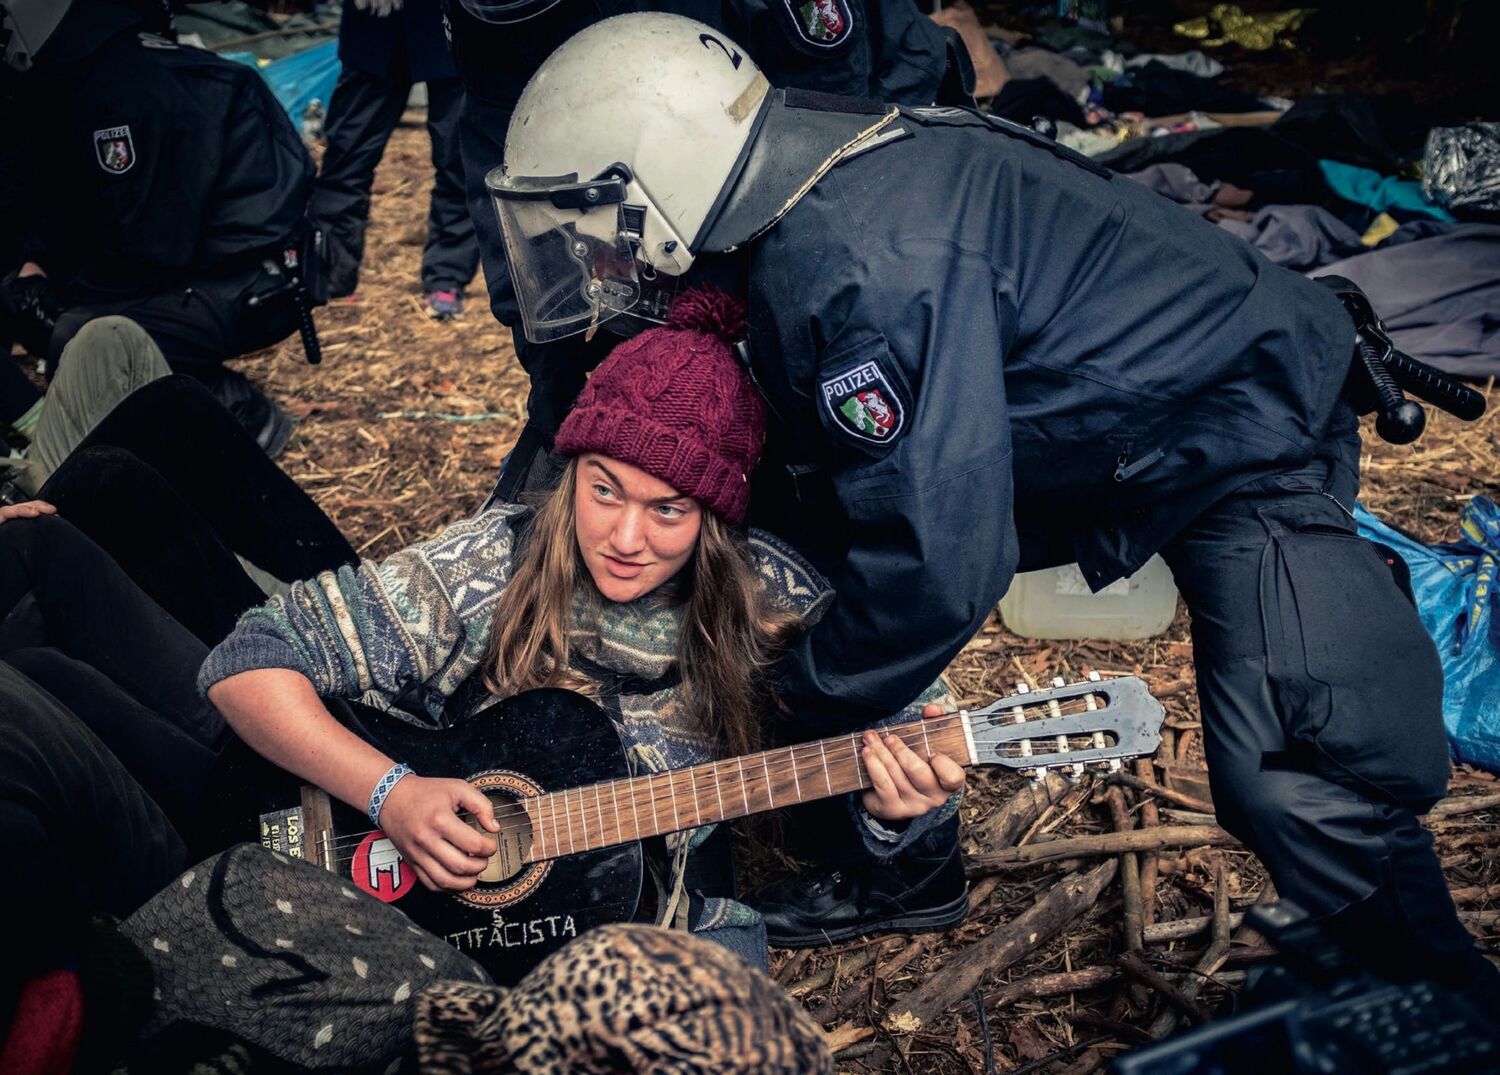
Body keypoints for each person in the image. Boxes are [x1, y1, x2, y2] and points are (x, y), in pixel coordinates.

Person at [488, 14, 1500, 1007]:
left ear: (663, 175)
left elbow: (940, 566)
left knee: (1299, 759)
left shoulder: (855, 268)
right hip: (1116, 427)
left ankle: (1429, 994)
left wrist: (776, 699)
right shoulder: (817, 184)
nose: (599, 256)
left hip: (1242, 433)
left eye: (598, 218)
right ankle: (886, 849)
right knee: (819, 554)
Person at [200, 287, 964, 966]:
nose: (625, 538)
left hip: (653, 913)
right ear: (572, 473)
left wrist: (894, 814)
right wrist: (391, 791)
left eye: (668, 509)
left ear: (716, 517)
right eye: (605, 490)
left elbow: (913, 735)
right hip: (422, 903)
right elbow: (248, 661)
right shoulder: (491, 562)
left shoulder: (779, 597)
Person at [443, 0, 976, 503]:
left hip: (863, 120)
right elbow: (504, 156)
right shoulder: (493, 19)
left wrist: (726, 341)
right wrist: (553, 366)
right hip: (683, 141)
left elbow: (821, 149)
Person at [0, 0, 318, 453]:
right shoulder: (83, 76)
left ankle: (236, 412)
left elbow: (148, 244)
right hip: (208, 264)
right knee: (38, 301)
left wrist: (59, 289)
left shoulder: (123, 87)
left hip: (254, 280)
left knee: (86, 331)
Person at [309, 0, 480, 320]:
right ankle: (331, 275)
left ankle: (447, 275)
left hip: (452, 21)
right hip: (376, 20)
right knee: (346, 153)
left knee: (458, 157)